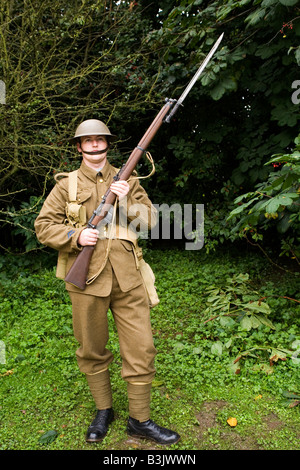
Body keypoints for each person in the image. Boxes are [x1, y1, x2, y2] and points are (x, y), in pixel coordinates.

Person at [34, 119, 180, 445]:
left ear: (107, 144)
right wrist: (75, 235)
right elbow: (44, 226)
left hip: (129, 278)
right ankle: (104, 412)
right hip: (85, 280)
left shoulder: (127, 179)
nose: (95, 146)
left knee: (142, 349)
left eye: (101, 140)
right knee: (91, 350)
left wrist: (126, 199)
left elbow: (152, 221)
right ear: (79, 147)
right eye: (89, 141)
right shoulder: (66, 185)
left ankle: (140, 420)